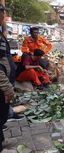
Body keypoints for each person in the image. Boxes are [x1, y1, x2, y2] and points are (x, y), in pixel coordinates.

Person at [0, 4, 16, 152]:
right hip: (1, 83)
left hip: (4, 80)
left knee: (3, 112)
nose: (3, 16)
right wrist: (6, 86)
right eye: (2, 13)